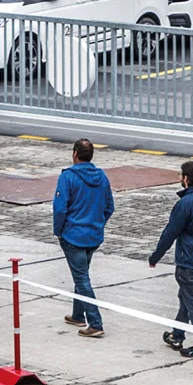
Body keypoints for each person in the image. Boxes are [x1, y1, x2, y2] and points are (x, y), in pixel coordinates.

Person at [149, 160, 193, 360]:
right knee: (186, 299)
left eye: (180, 176)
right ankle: (177, 335)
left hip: (189, 264)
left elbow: (169, 233)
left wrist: (155, 257)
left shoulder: (185, 204)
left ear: (186, 179)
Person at [52, 138, 114, 338]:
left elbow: (60, 208)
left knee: (82, 278)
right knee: (82, 274)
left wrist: (59, 230)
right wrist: (98, 223)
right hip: (93, 235)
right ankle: (78, 314)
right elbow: (109, 206)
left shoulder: (68, 177)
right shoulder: (102, 177)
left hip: (73, 235)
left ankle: (95, 322)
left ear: (75, 154)